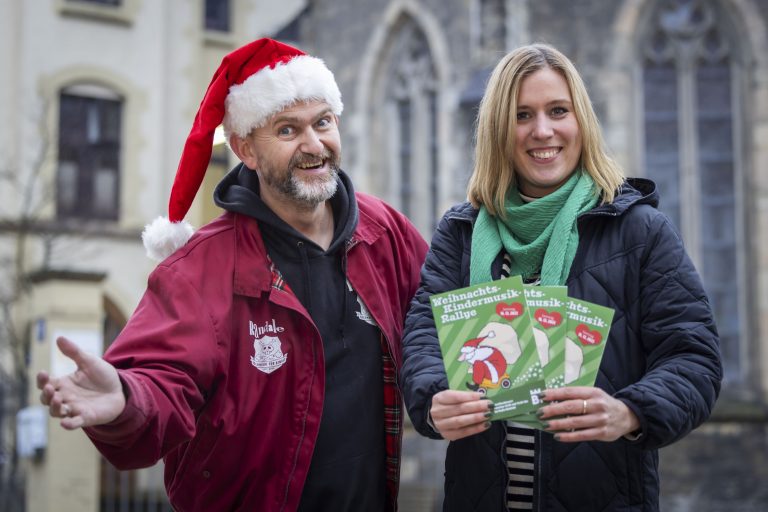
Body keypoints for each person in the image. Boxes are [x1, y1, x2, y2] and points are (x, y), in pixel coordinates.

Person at [37, 38, 428, 512]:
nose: (313, 145)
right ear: (246, 149)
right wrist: (123, 398)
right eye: (288, 130)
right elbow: (159, 382)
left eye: (323, 122)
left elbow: (437, 328)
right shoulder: (198, 271)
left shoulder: (386, 234)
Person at [400, 43, 722, 511]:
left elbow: (695, 359)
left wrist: (629, 411)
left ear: (581, 122)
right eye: (522, 115)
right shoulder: (462, 231)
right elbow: (422, 337)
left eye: (557, 110)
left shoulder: (639, 230)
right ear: (498, 129)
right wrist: (432, 399)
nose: (542, 131)